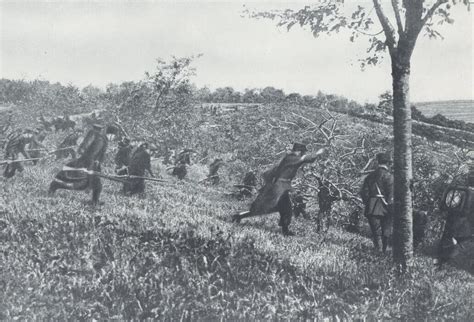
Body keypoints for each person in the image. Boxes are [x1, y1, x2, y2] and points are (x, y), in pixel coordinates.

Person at [232, 143, 325, 236]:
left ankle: (239, 216)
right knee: (279, 208)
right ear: (298, 151)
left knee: (281, 208)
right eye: (303, 152)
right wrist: (319, 152)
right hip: (278, 188)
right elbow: (307, 159)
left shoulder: (291, 158)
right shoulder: (291, 158)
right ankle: (284, 231)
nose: (303, 153)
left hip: (280, 187)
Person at [48, 124, 108, 205]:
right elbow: (92, 153)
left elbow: (84, 148)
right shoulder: (99, 138)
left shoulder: (96, 136)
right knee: (81, 184)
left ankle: (95, 201)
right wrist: (91, 165)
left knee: (97, 184)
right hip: (88, 163)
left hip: (90, 162)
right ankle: (55, 185)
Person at [360, 152, 394, 253]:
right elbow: (392, 194)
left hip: (372, 205)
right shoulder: (390, 177)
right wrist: (390, 205)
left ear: (378, 162)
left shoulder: (369, 176)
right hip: (386, 206)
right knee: (386, 230)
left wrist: (369, 202)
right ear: (388, 163)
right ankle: (383, 251)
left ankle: (378, 251)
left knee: (376, 231)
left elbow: (364, 193)